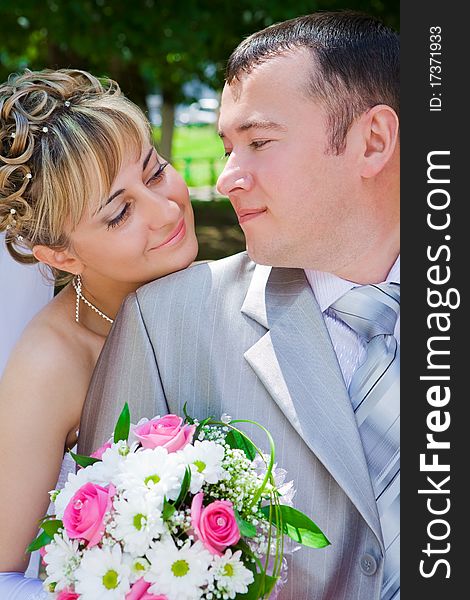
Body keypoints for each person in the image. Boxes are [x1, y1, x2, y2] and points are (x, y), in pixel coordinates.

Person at [80, 11, 400, 600]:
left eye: (258, 142)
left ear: (373, 141)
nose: (227, 179)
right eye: (228, 147)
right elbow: (101, 566)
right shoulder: (165, 324)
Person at [0, 68, 198, 598]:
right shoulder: (50, 368)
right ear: (60, 255)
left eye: (155, 173)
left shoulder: (212, 284)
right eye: (120, 212)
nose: (166, 210)